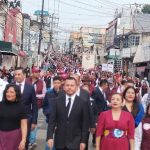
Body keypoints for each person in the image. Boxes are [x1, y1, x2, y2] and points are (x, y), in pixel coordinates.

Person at [47, 77, 89, 150]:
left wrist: (83, 141)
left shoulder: (83, 102)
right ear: (64, 87)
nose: (69, 87)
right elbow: (52, 121)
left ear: (76, 87)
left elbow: (85, 124)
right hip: (60, 141)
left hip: (75, 141)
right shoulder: (57, 101)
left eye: (72, 85)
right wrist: (50, 137)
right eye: (67, 85)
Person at [14, 67, 38, 149]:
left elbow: (35, 105)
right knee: (14, 139)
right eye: (15, 74)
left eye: (19, 74)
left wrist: (34, 121)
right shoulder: (10, 86)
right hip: (13, 118)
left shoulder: (30, 87)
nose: (17, 76)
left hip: (27, 118)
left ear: (24, 75)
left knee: (25, 140)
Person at [0, 84, 27, 150]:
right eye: (7, 91)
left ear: (16, 94)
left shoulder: (21, 107)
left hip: (15, 137)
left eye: (12, 92)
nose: (8, 94)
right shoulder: (1, 104)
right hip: (1, 136)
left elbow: (24, 125)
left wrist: (23, 140)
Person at [26, 67, 47, 148]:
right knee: (25, 121)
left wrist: (34, 96)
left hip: (36, 106)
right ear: (32, 73)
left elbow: (44, 94)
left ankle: (32, 140)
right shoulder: (26, 80)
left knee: (34, 122)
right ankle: (25, 137)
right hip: (26, 105)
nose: (38, 73)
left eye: (39, 72)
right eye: (36, 72)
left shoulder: (42, 82)